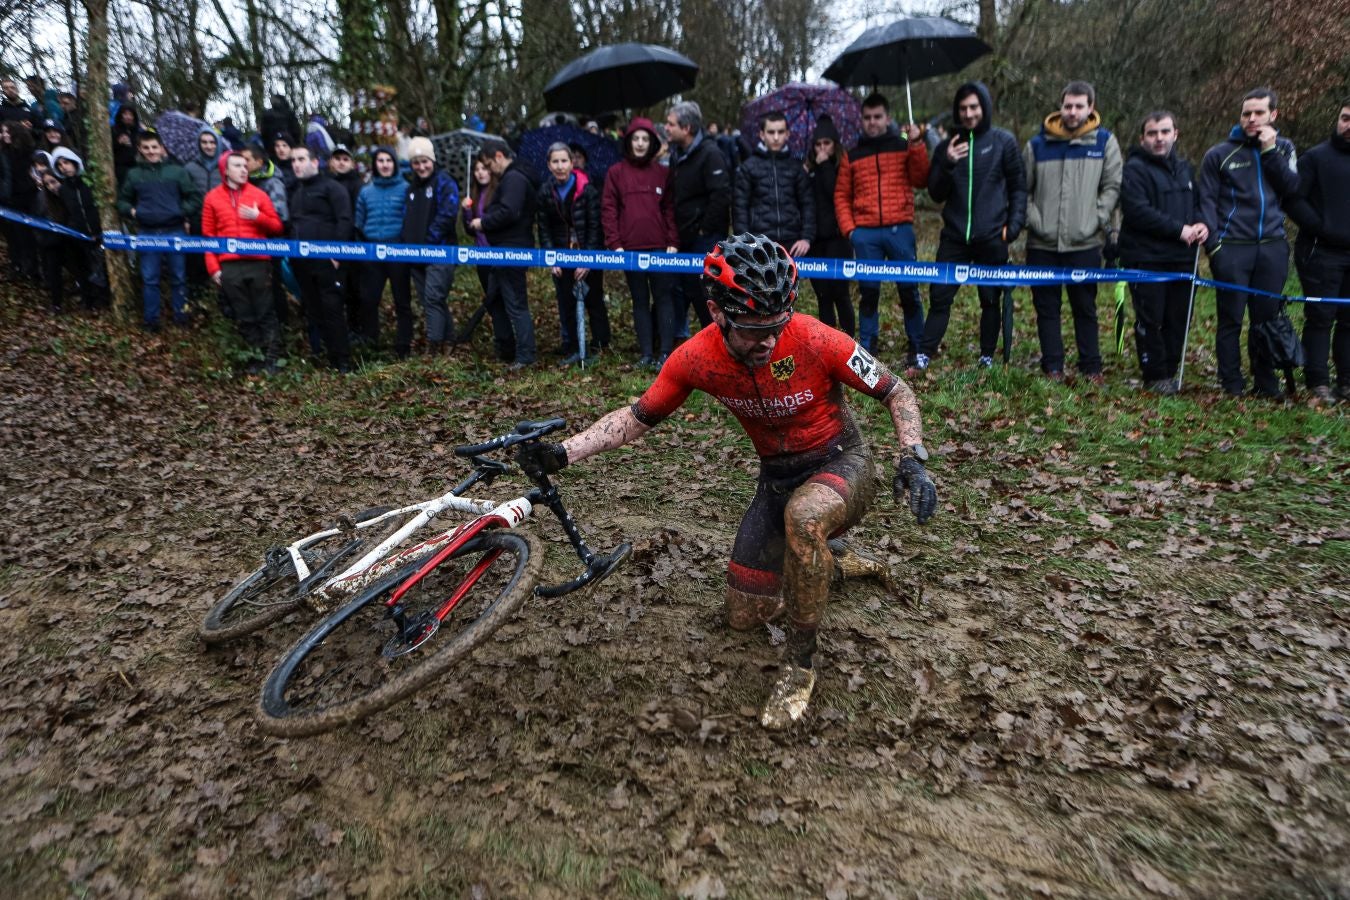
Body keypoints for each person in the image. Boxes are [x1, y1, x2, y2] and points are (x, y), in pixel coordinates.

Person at [515, 233, 938, 729]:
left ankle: (801, 666)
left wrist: (912, 455)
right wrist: (564, 453)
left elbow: (895, 389)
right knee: (744, 616)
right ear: (716, 312)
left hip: (843, 462)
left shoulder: (816, 338)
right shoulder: (696, 358)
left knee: (804, 520)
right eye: (754, 330)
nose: (769, 342)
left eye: (776, 326)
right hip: (777, 478)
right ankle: (829, 565)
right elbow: (635, 418)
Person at [1198, 87, 1301, 399]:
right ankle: (1231, 383)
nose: (1252, 119)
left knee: (1266, 318)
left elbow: (1292, 188)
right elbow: (1206, 202)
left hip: (1272, 246)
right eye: (1246, 113)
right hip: (1232, 247)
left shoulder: (1284, 148)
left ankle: (1265, 382)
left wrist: (1269, 151)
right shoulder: (1219, 153)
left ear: (1273, 115)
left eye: (1259, 113)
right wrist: (1215, 247)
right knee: (1230, 318)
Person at [919, 82, 1027, 371]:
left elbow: (1018, 187)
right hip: (954, 237)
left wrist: (1013, 226)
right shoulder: (947, 146)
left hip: (992, 236)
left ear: (985, 108)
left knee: (990, 299)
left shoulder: (1003, 141)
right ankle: (924, 354)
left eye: (974, 107)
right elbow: (936, 193)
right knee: (939, 297)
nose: (968, 114)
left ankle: (987, 356)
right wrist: (947, 164)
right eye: (963, 108)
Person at [1023, 80, 1123, 382]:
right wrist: (1035, 219)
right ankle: (1053, 366)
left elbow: (1112, 186)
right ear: (1060, 106)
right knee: (1047, 308)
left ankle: (1091, 366)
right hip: (1042, 243)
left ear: (1090, 108)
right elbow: (1021, 190)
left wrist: (1096, 218)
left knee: (1085, 307)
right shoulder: (1037, 145)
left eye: (1079, 106)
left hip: (1085, 242)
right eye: (1068, 105)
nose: (1073, 111)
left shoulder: (1104, 142)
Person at [1118, 111, 1209, 395]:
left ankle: (1171, 370)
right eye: (1153, 133)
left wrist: (1201, 224)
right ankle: (1155, 375)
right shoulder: (1133, 169)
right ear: (1143, 138)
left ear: (1175, 134)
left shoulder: (1185, 169)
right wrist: (1178, 229)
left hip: (1183, 258)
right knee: (1151, 320)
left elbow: (1197, 205)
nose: (1159, 138)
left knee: (1178, 319)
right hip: (1146, 257)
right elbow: (1137, 212)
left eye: (1165, 132)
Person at [834, 92, 929, 360]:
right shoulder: (851, 154)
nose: (873, 122)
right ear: (861, 120)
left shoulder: (902, 144)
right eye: (867, 118)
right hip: (865, 234)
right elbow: (841, 195)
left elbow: (921, 178)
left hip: (900, 229)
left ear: (887, 118)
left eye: (878, 117)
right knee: (869, 291)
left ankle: (918, 345)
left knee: (909, 289)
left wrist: (917, 144)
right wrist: (851, 231)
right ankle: (868, 347)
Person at [601, 117, 679, 369]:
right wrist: (615, 244)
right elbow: (609, 210)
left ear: (653, 142)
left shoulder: (663, 173)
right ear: (629, 141)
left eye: (645, 139)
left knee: (664, 298)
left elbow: (669, 209)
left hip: (660, 248)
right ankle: (646, 353)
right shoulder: (616, 173)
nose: (640, 143)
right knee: (640, 300)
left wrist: (673, 241)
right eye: (636, 138)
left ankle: (665, 352)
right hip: (629, 249)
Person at [1289, 98, 1350, 403]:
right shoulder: (1314, 158)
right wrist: (1320, 226)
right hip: (1319, 252)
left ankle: (1346, 382)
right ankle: (1318, 383)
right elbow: (1293, 199)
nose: (1348, 125)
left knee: (1349, 320)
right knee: (1320, 317)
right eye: (1345, 118)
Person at [202, 151, 285, 371]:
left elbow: (277, 227)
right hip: (229, 266)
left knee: (265, 311)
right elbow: (208, 237)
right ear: (225, 171)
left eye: (245, 166)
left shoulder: (259, 194)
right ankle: (254, 358)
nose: (243, 169)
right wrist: (213, 268)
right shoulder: (212, 198)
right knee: (244, 314)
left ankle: (272, 360)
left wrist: (258, 217)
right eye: (237, 166)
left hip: (258, 263)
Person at [116, 129, 201, 331]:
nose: (151, 151)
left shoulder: (177, 172)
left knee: (179, 277)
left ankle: (181, 317)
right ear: (140, 149)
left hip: (175, 230)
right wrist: (133, 211)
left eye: (154, 147)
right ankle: (151, 320)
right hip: (147, 232)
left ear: (162, 148)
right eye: (146, 148)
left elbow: (195, 197)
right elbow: (122, 200)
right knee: (149, 278)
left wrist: (181, 211)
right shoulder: (134, 174)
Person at [537, 142, 611, 365]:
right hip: (561, 255)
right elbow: (544, 227)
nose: (560, 166)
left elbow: (595, 227)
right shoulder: (545, 191)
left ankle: (601, 344)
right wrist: (551, 258)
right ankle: (570, 346)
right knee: (565, 301)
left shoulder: (587, 189)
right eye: (555, 162)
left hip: (587, 254)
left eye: (564, 161)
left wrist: (588, 260)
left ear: (572, 163)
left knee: (594, 299)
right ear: (549, 165)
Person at [470, 139, 539, 371]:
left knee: (516, 303)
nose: (489, 171)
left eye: (489, 164)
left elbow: (509, 211)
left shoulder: (514, 178)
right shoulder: (513, 177)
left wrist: (484, 221)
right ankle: (507, 348)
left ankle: (526, 354)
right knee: (494, 299)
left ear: (499, 156)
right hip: (503, 249)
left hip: (512, 249)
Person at [665, 100, 730, 339]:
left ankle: (716, 340)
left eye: (671, 124)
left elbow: (721, 195)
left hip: (705, 238)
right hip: (683, 236)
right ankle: (683, 341)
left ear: (687, 128)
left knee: (706, 293)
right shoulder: (676, 155)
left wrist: (704, 230)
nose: (667, 128)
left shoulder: (711, 154)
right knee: (683, 289)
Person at [287, 144, 354, 371]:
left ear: (315, 162)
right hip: (302, 263)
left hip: (328, 261)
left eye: (301, 159)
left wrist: (336, 253)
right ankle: (326, 356)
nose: (296, 164)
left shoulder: (332, 188)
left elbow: (344, 220)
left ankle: (343, 360)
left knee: (333, 308)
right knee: (314, 310)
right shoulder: (295, 191)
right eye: (293, 160)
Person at [395, 136, 459, 356]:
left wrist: (429, 240)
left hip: (440, 251)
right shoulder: (411, 187)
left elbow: (448, 214)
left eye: (425, 161)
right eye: (416, 162)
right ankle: (449, 340)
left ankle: (433, 346)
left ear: (432, 159)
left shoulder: (444, 182)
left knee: (433, 297)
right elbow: (407, 217)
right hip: (414, 254)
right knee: (430, 300)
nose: (421, 166)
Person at [734, 111, 814, 259]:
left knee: (790, 282)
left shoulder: (796, 167)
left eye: (780, 132)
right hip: (758, 242)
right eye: (771, 132)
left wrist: (806, 238)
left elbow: (807, 204)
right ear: (762, 134)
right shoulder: (748, 167)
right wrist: (744, 241)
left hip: (792, 243)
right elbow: (740, 207)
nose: (776, 137)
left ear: (787, 134)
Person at [354, 146, 407, 350]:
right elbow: (358, 222)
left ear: (394, 164)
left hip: (398, 250)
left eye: (388, 161)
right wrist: (362, 249)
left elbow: (409, 219)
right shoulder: (366, 191)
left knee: (402, 300)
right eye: (381, 161)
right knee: (369, 299)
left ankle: (403, 344)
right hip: (371, 250)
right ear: (375, 164)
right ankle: (371, 341)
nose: (385, 165)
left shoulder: (405, 188)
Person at [805, 116, 854, 336]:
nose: (822, 148)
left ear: (835, 144)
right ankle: (828, 342)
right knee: (823, 295)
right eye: (818, 144)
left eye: (827, 143)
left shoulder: (841, 168)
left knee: (840, 294)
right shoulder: (807, 170)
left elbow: (835, 194)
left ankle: (848, 339)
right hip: (816, 241)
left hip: (838, 239)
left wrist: (825, 165)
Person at [36, 150, 102, 312]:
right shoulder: (61, 192)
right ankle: (67, 302)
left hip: (89, 234)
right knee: (77, 267)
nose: (64, 167)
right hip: (68, 237)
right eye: (60, 165)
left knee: (92, 267)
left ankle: (96, 299)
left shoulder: (88, 183)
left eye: (66, 163)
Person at [242, 144, 292, 329]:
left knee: (273, 285)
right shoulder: (245, 181)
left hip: (272, 241)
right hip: (251, 240)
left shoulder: (272, 183)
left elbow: (281, 217)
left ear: (259, 161)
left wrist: (258, 218)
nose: (243, 164)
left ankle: (281, 324)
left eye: (247, 160)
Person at [327, 144, 366, 341]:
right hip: (331, 243)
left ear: (351, 163)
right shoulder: (327, 183)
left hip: (353, 245)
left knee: (355, 289)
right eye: (338, 159)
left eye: (345, 159)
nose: (341, 163)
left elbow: (357, 217)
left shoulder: (357, 185)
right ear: (331, 162)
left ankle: (357, 328)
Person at [460, 156, 498, 339]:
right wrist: (466, 212)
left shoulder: (497, 192)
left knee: (495, 298)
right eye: (477, 169)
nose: (481, 173)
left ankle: (506, 339)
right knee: (491, 300)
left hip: (496, 253)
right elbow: (470, 230)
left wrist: (483, 222)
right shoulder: (474, 195)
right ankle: (500, 335)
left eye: (484, 168)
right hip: (480, 254)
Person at [111, 104, 140, 188]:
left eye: (130, 114)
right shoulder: (114, 129)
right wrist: (118, 142)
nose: (128, 117)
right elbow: (107, 150)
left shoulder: (137, 131)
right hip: (120, 169)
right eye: (125, 114)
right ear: (121, 115)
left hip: (136, 167)